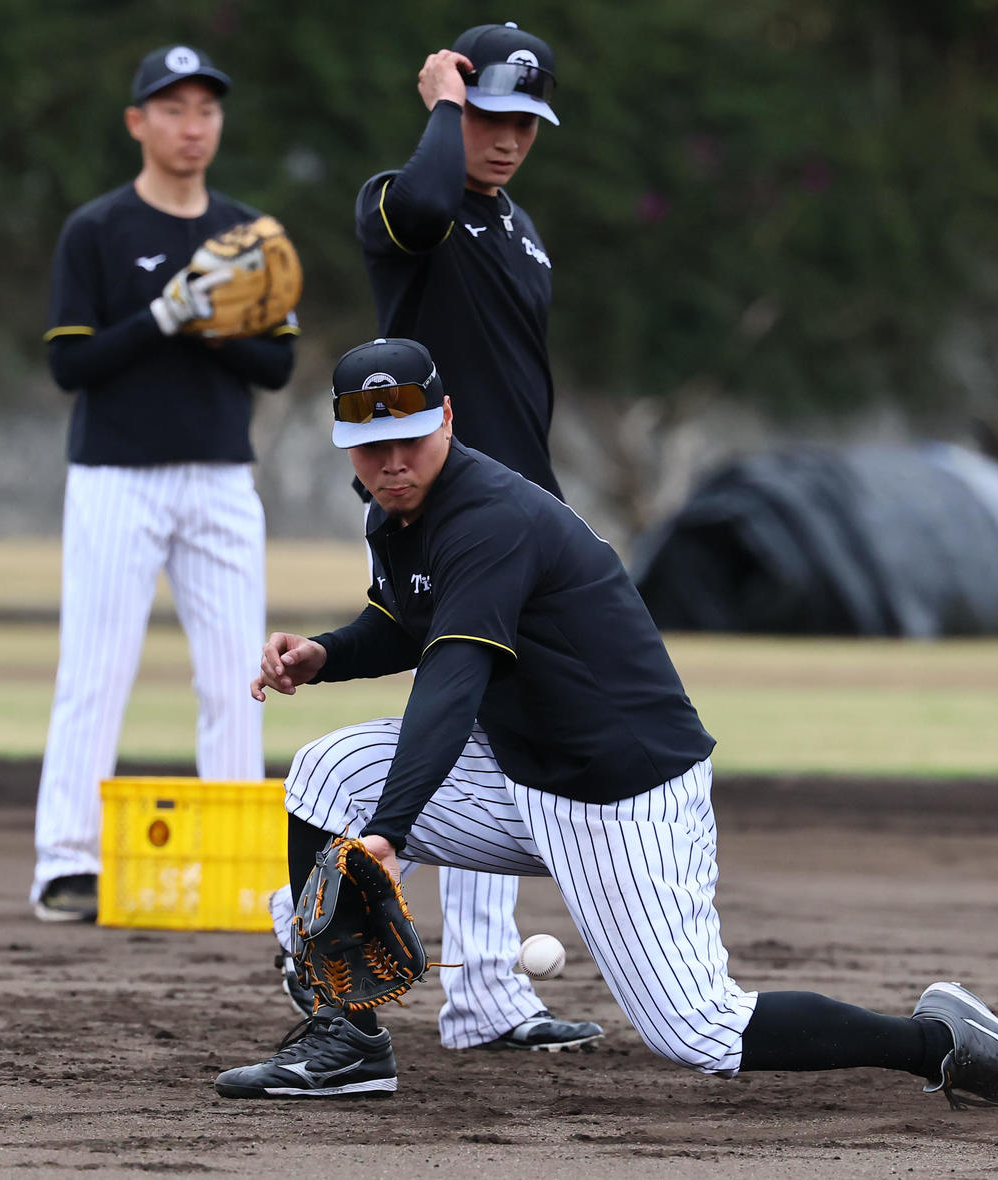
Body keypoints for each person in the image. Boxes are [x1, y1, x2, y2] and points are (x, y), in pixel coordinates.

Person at [216, 337, 998, 1108]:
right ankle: (347, 1046)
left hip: (619, 791)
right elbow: (409, 619)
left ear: (446, 416)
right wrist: (327, 654)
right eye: (371, 444)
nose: (392, 458)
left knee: (701, 1029)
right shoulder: (397, 515)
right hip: (524, 773)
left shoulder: (489, 518)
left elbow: (453, 673)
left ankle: (942, 1042)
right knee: (328, 771)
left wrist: (390, 835)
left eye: (408, 434)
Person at [265, 21, 600, 1053]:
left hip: (523, 517)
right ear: (453, 104)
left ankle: (485, 998)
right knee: (462, 717)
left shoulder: (519, 227)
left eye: (522, 123)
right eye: (489, 115)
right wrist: (443, 106)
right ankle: (331, 972)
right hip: (445, 506)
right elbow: (419, 197)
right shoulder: (407, 206)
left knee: (500, 732)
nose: (503, 140)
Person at [31, 44, 298, 921]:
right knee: (96, 670)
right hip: (115, 478)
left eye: (207, 109)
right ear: (137, 122)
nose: (193, 125)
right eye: (173, 108)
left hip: (222, 478)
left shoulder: (248, 233)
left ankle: (235, 867)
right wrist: (164, 314)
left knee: (236, 678)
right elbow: (73, 365)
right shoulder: (98, 230)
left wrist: (212, 322)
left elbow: (277, 366)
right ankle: (66, 864)